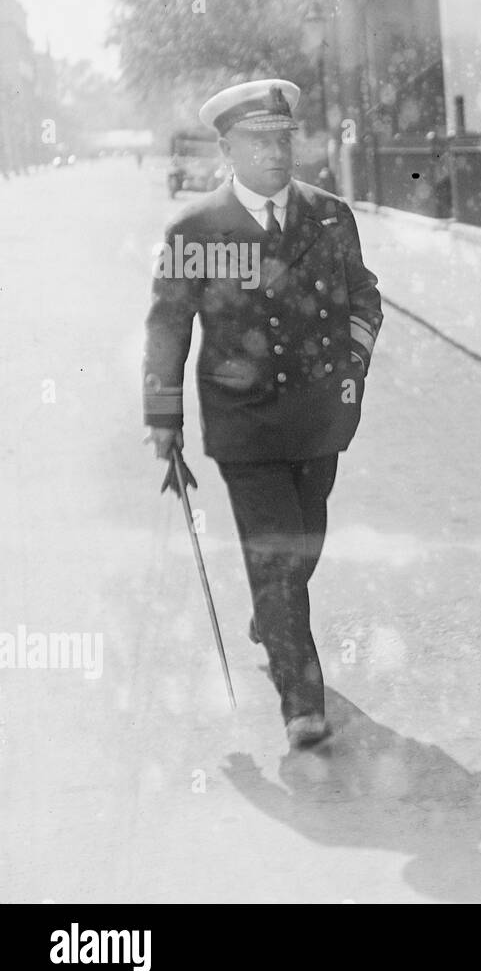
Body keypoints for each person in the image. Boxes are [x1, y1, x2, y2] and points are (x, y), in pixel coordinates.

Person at [143, 79, 382, 748]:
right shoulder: (197, 229)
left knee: (303, 543)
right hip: (243, 422)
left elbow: (365, 297)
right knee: (277, 552)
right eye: (258, 142)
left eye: (283, 139)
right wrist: (164, 416)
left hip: (319, 421)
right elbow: (169, 326)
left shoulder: (330, 217)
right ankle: (300, 699)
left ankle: (272, 614)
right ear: (227, 149)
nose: (276, 153)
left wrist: (353, 366)